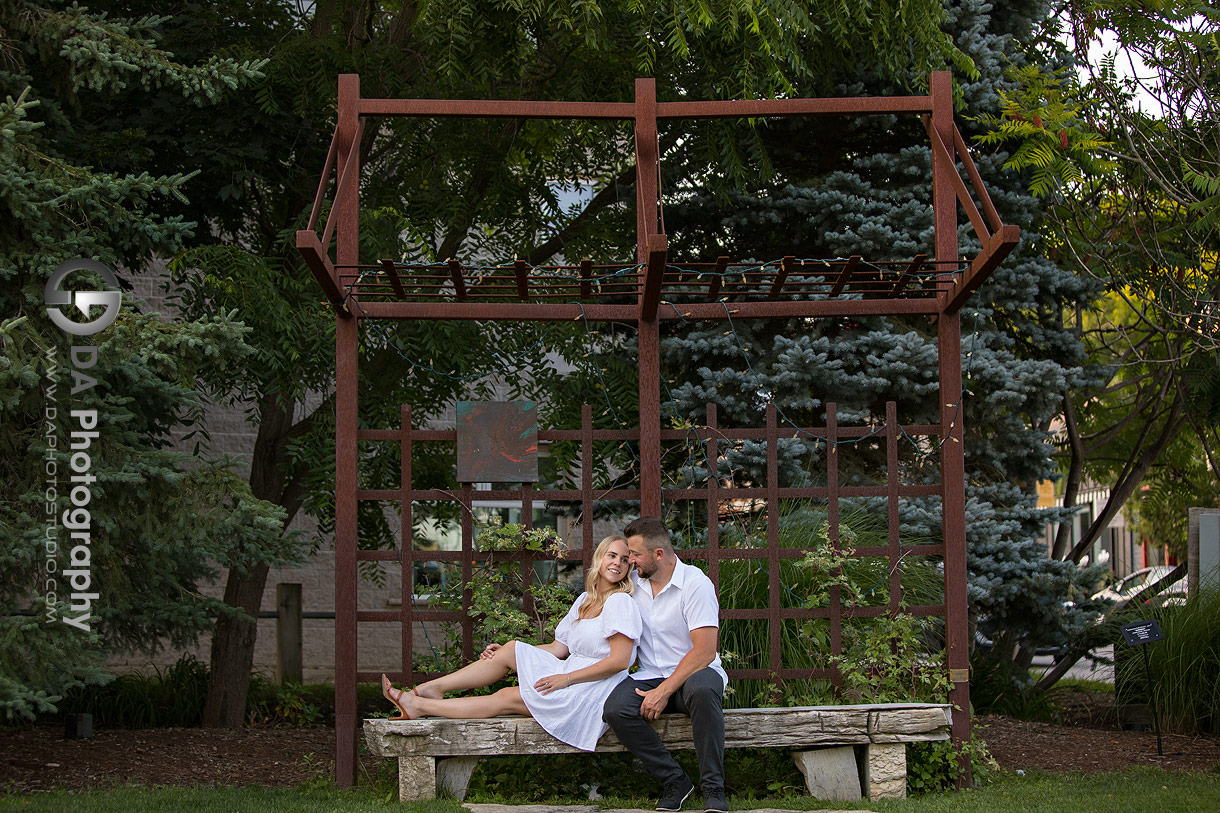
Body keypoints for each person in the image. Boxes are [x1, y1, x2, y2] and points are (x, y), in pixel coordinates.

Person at [381, 534, 642, 752]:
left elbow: (618, 662)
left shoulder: (620, 602)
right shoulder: (585, 599)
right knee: (512, 648)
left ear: (630, 568)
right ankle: (430, 689)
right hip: (571, 673)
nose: (617, 563)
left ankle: (419, 705)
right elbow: (557, 648)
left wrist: (567, 679)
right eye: (612, 555)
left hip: (591, 689)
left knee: (506, 697)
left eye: (624, 560)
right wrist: (508, 652)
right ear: (600, 558)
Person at [603, 516, 728, 813]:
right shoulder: (632, 583)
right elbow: (596, 598)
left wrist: (665, 691)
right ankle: (675, 781)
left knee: (702, 690)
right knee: (616, 710)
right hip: (650, 675)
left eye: (635, 554)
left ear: (659, 554)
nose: (629, 561)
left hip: (695, 675)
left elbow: (705, 651)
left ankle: (714, 789)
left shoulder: (695, 585)